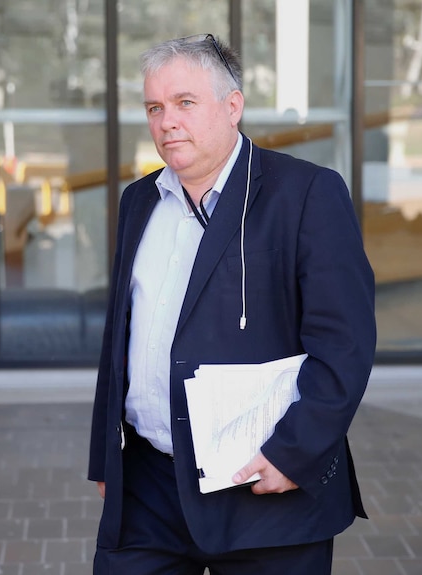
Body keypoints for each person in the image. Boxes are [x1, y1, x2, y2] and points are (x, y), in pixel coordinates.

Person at [88, 34, 376, 575]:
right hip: (148, 489)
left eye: (185, 103)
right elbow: (119, 339)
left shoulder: (307, 193)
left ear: (233, 106)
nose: (167, 121)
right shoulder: (138, 201)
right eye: (155, 107)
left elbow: (345, 344)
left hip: (264, 487)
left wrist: (296, 454)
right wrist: (105, 455)